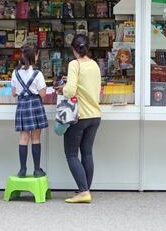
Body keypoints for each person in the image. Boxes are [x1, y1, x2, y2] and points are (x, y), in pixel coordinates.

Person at [57, 34, 101, 203]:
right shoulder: (94, 65)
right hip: (95, 115)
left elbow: (69, 91)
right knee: (87, 153)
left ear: (73, 49)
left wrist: (63, 88)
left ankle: (83, 191)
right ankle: (86, 189)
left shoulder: (74, 64)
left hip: (79, 116)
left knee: (71, 154)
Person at [11, 45, 48, 178]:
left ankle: (22, 170)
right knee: (36, 138)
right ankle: (37, 170)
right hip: (35, 105)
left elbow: (14, 93)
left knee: (23, 138)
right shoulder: (38, 73)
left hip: (22, 106)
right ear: (34, 57)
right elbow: (43, 94)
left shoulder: (15, 73)